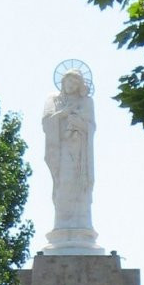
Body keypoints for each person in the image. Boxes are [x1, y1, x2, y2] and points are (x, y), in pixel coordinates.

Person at [42, 68, 96, 231]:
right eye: (69, 81)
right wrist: (63, 114)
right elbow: (46, 122)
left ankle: (82, 226)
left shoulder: (87, 101)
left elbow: (91, 126)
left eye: (75, 82)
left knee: (81, 186)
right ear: (63, 81)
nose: (71, 85)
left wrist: (78, 122)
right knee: (64, 183)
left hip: (81, 152)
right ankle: (62, 226)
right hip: (62, 149)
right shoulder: (53, 99)